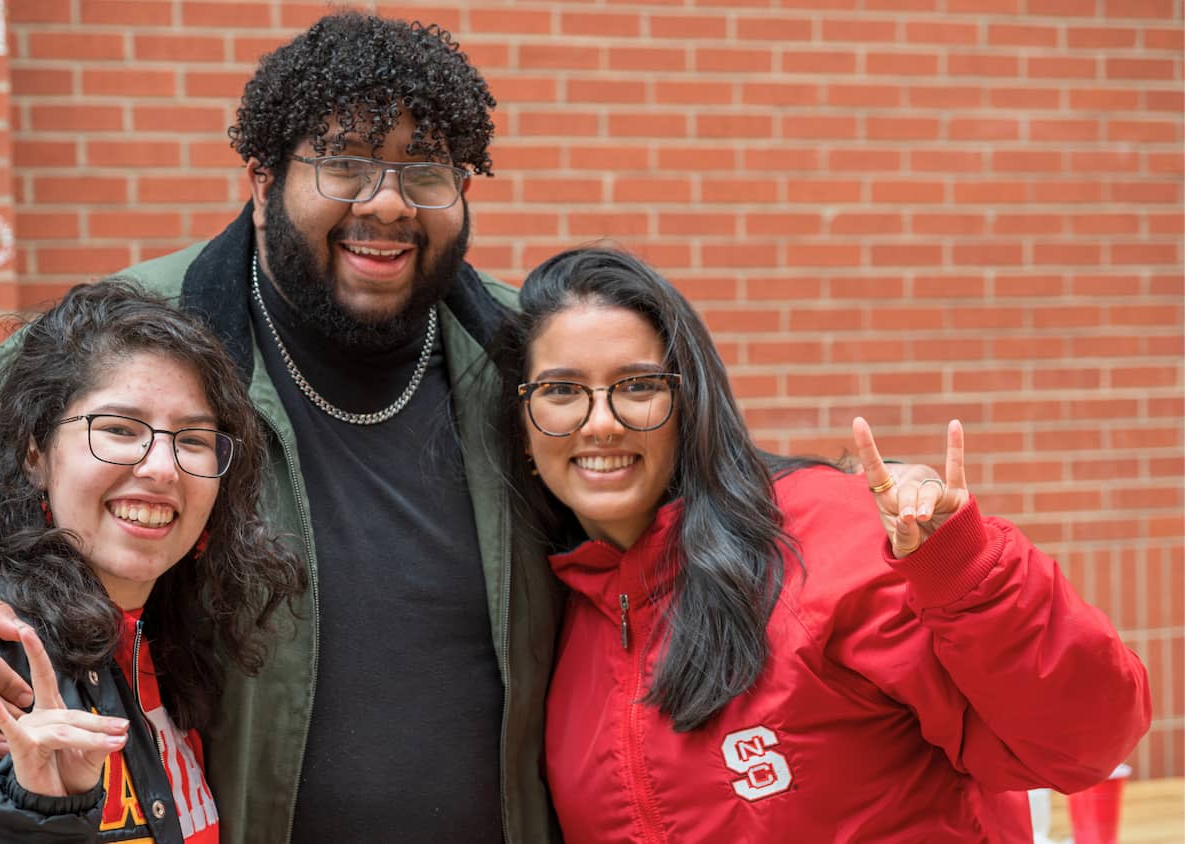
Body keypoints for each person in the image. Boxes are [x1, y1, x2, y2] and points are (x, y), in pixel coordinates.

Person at [0, 11, 562, 843]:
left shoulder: (536, 362)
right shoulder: (134, 335)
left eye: (426, 170)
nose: (388, 204)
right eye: (343, 165)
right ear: (263, 181)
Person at [492, 247, 1151, 843]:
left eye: (638, 386)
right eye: (560, 391)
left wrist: (967, 572)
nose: (601, 422)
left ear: (691, 406)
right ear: (523, 424)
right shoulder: (548, 615)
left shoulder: (828, 540)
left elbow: (1079, 745)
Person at [0, 281, 302, 841]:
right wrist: (39, 812)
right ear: (34, 453)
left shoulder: (177, 643)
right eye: (119, 430)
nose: (162, 467)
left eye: (193, 439)